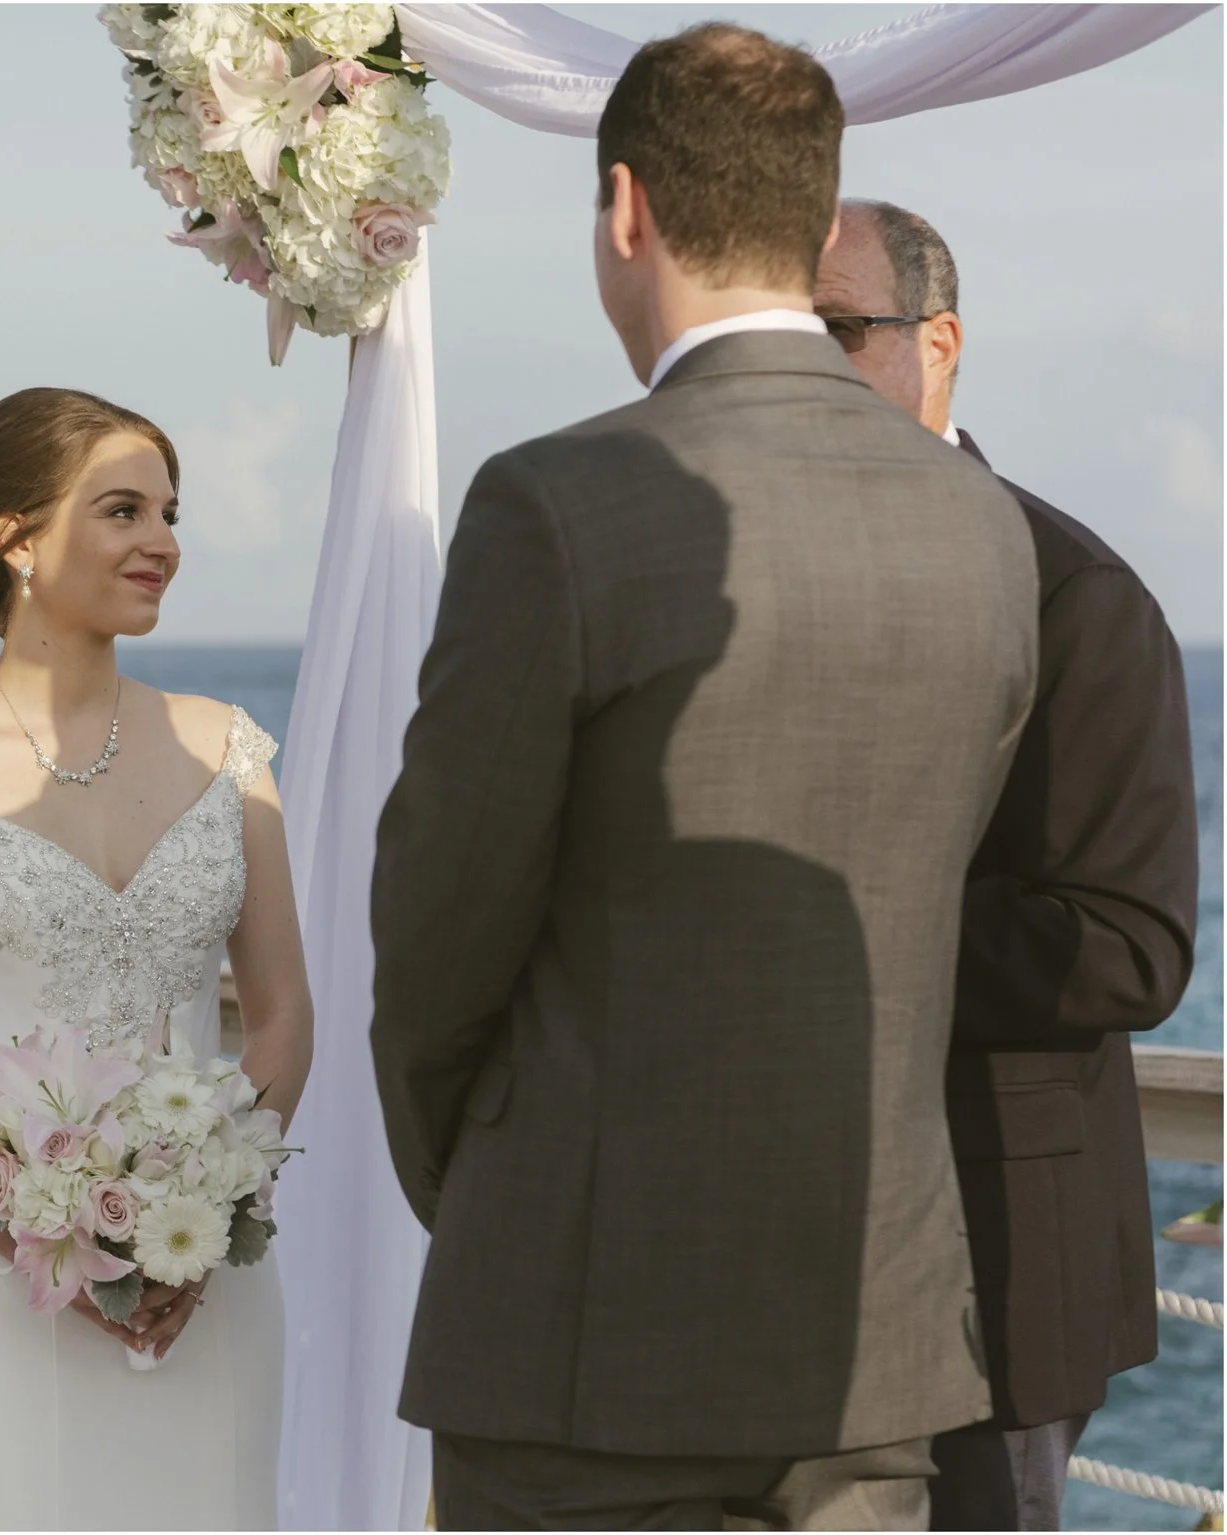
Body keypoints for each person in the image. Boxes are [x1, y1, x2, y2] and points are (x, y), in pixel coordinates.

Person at [369, 25, 1041, 1531]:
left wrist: (491, 1184)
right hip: (874, 1324)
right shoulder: (983, 522)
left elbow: (437, 928)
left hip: (584, 1331)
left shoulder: (555, 502)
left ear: (626, 208)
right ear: (813, 221)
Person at [0, 387, 314, 1529]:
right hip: (0, 1296)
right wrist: (47, 1239)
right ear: (17, 539)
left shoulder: (229, 751)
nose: (162, 542)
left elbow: (283, 1014)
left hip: (205, 1289)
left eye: (169, 514)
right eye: (123, 510)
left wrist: (210, 1206)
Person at [816, 199, 1201, 1531]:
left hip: (990, 1263)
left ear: (940, 344)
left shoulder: (1071, 593)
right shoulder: (718, 578)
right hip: (751, 1251)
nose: (797, 366)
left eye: (836, 329)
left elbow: (1126, 945)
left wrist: (823, 921)